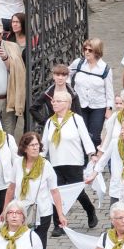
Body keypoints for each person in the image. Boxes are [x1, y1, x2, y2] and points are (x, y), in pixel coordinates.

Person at [4, 132, 65, 249]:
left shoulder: (46, 166)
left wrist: (60, 214)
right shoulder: (18, 164)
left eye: (37, 145)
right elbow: (11, 188)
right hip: (20, 213)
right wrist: (5, 210)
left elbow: (55, 191)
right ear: (24, 148)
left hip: (41, 213)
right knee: (23, 246)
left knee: (39, 248)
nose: (35, 148)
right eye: (32, 145)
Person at [42, 89, 99, 230]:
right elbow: (44, 144)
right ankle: (58, 225)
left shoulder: (75, 119)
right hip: (55, 163)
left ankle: (90, 210)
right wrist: (40, 159)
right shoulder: (50, 122)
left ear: (67, 103)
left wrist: (92, 154)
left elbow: (85, 138)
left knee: (78, 191)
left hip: (74, 162)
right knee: (56, 192)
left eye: (57, 101)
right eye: (53, 101)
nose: (53, 103)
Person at [68, 38, 115, 146]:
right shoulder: (79, 64)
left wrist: (109, 108)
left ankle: (95, 157)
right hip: (80, 104)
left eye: (90, 50)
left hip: (98, 106)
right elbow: (67, 73)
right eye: (85, 49)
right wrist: (69, 91)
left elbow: (109, 91)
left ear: (97, 52)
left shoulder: (104, 69)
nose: (87, 52)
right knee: (81, 134)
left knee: (94, 136)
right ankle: (83, 160)